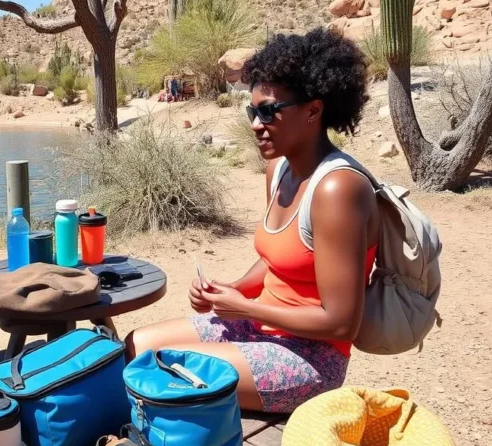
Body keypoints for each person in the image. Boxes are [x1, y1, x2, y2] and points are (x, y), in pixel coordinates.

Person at [126, 29, 380, 414]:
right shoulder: (278, 169)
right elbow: (281, 259)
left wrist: (245, 308)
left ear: (313, 110)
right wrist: (232, 289)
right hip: (260, 326)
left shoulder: (338, 189)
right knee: (137, 346)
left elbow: (341, 324)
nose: (256, 124)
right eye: (253, 111)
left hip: (309, 357)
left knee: (165, 374)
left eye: (268, 111)